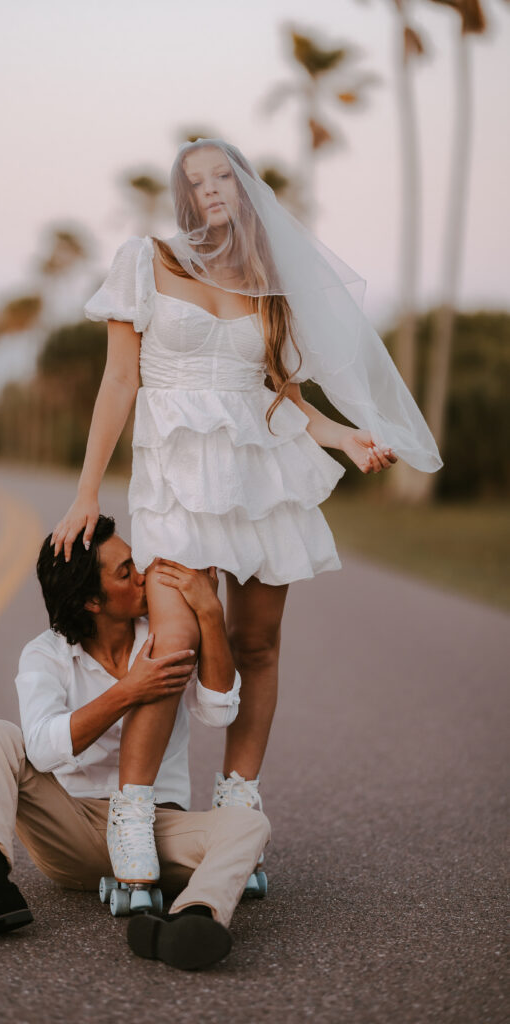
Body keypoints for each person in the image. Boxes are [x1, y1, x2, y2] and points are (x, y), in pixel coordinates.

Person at [51, 138, 442, 885]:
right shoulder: (146, 260)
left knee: (257, 644)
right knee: (171, 646)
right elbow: (119, 381)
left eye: (222, 174)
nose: (210, 190)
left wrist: (344, 438)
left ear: (245, 186)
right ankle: (133, 812)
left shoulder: (270, 279)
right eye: (193, 181)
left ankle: (237, 800)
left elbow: (281, 396)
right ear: (182, 196)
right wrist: (85, 491)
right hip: (175, 477)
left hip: (261, 476)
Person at [0, 516, 269, 972]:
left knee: (247, 824)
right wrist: (128, 691)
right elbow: (42, 748)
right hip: (74, 828)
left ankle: (194, 917)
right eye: (125, 573)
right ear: (91, 601)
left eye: (135, 563)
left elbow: (219, 711)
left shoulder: (167, 635)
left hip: (159, 829)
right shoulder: (46, 654)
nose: (143, 577)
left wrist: (209, 613)